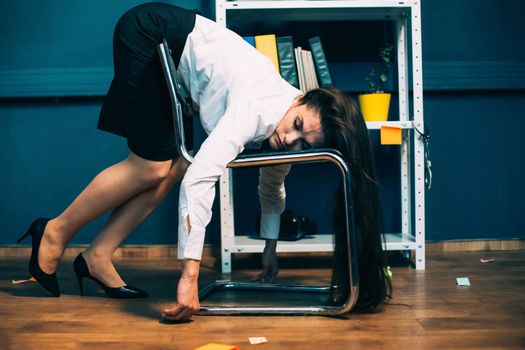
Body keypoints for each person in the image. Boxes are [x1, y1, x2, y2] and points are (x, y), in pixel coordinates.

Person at [18, 2, 390, 321]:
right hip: (151, 30)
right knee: (152, 165)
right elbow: (202, 179)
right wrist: (189, 277)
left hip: (174, 58)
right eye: (296, 127)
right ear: (300, 99)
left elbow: (273, 184)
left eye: (304, 141)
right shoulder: (258, 109)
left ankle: (97, 256)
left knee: (175, 165)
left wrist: (270, 248)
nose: (289, 140)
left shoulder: (287, 129)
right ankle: (52, 232)